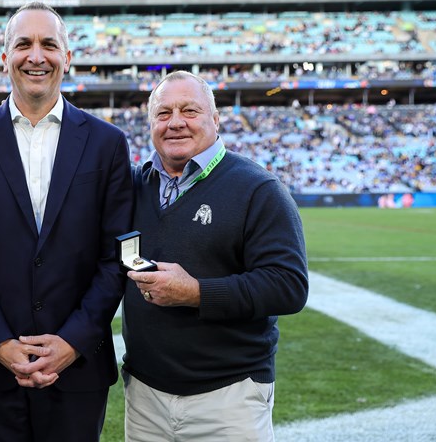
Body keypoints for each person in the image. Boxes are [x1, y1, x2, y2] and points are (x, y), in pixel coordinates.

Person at [0, 1, 133, 442]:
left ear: (67, 57)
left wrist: (71, 342)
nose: (36, 56)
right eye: (23, 44)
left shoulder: (108, 143)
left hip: (78, 367)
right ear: (4, 58)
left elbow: (117, 257)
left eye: (49, 44)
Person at [123, 70, 309, 441]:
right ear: (150, 124)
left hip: (229, 397)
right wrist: (0, 124)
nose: (176, 122)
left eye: (189, 110)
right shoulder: (131, 185)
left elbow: (289, 285)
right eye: (163, 114)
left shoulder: (258, 188)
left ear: (215, 118)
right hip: (145, 396)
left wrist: (196, 292)